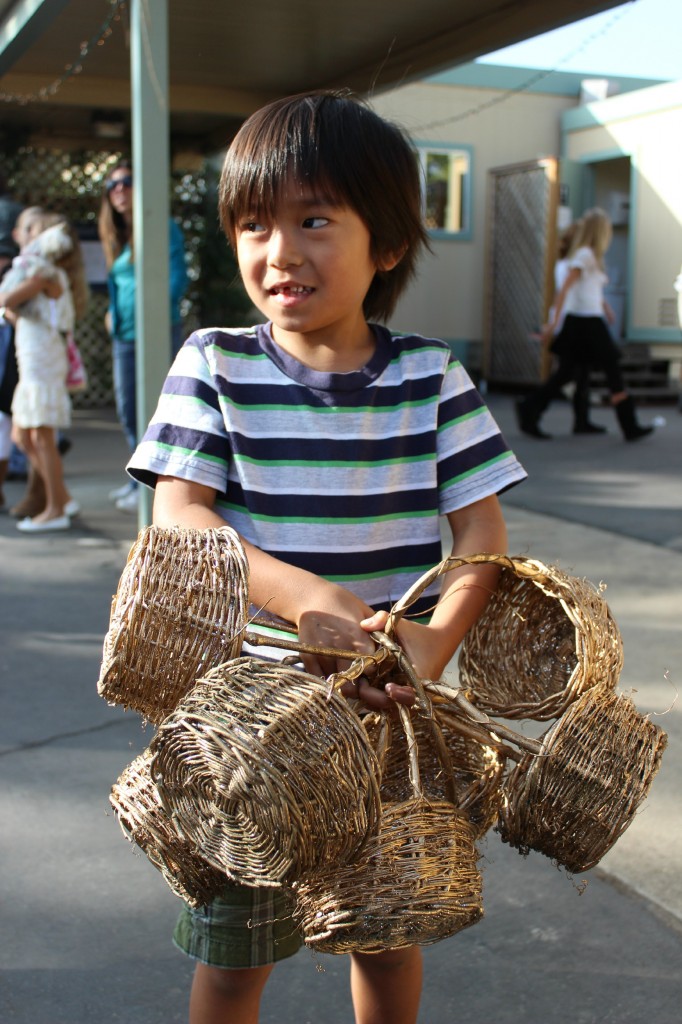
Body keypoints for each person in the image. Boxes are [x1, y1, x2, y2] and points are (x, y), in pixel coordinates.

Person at [127, 91, 527, 1024]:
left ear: (385, 244)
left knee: (384, 942)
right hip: (250, 728)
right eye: (255, 223)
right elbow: (180, 517)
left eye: (314, 219)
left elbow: (483, 535)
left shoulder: (431, 376)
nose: (280, 251)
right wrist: (306, 594)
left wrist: (428, 647)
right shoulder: (214, 363)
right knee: (236, 953)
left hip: (389, 721)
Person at [516, 207, 654, 441]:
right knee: (612, 370)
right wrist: (553, 323)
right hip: (585, 324)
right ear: (601, 231)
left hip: (588, 320)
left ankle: (534, 408)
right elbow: (565, 290)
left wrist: (607, 309)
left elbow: (590, 290)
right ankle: (629, 426)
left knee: (571, 373)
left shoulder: (590, 256)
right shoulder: (584, 255)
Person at [98, 159, 189, 513]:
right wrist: (113, 313)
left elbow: (177, 276)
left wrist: (152, 313)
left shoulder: (160, 226)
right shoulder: (116, 236)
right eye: (112, 185)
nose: (119, 190)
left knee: (156, 410)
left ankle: (157, 489)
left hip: (157, 330)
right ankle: (139, 481)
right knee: (127, 409)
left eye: (126, 182)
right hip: (124, 336)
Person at [0, 209, 89, 531]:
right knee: (22, 434)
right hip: (33, 358)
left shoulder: (43, 272)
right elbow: (15, 311)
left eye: (28, 229)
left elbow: (7, 297)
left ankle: (55, 509)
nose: (20, 234)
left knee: (41, 434)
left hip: (43, 362)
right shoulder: (38, 272)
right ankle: (62, 497)